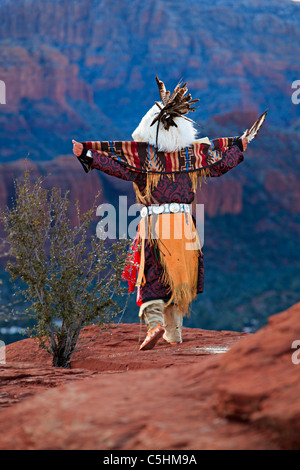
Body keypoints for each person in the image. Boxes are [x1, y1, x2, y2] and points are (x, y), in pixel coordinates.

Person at [72, 76, 249, 351]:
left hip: (155, 225)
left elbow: (117, 166)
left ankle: (154, 324)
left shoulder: (145, 161)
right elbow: (220, 164)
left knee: (151, 275)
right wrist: (238, 149)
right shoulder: (193, 157)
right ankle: (174, 334)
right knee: (179, 279)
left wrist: (88, 155)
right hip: (186, 226)